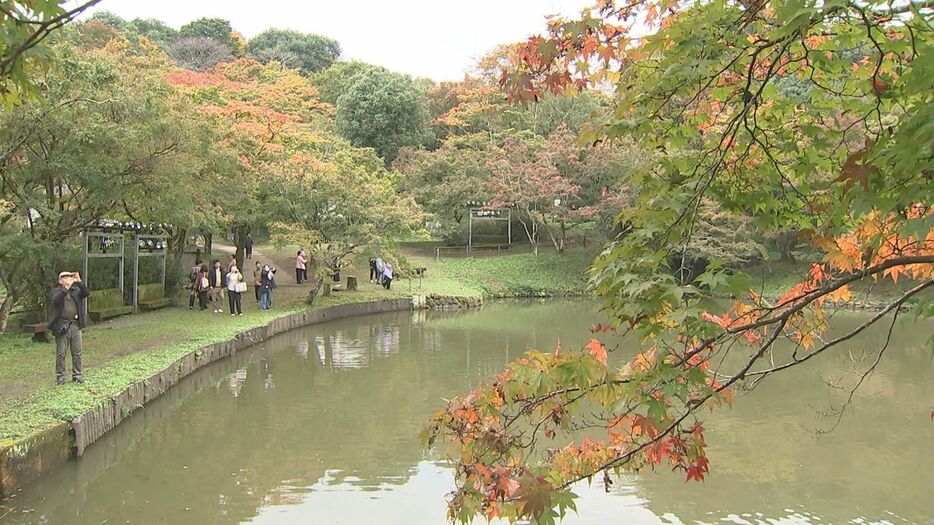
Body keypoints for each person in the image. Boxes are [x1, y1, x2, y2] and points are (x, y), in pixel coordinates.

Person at [47, 271, 90, 384]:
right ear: (60, 280)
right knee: (61, 353)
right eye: (65, 277)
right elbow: (56, 300)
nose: (69, 278)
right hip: (62, 326)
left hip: (75, 325)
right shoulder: (56, 291)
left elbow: (86, 293)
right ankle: (60, 376)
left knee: (77, 352)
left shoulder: (76, 291)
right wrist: (66, 289)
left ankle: (77, 374)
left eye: (70, 276)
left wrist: (79, 281)